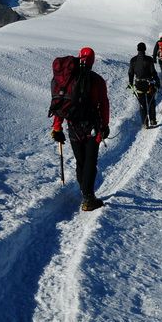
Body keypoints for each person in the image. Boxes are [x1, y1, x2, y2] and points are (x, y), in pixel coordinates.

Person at [50, 47, 110, 212]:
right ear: (93, 61)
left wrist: (57, 127)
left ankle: (85, 192)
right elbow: (104, 104)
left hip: (73, 126)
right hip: (92, 126)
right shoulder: (97, 80)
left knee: (80, 161)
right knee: (91, 161)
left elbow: (61, 104)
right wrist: (104, 126)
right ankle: (89, 198)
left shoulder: (67, 80)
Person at [128, 42, 160, 128]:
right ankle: (152, 119)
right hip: (149, 84)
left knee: (142, 104)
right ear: (145, 49)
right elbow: (153, 72)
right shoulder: (149, 59)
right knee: (151, 102)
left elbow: (131, 73)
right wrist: (157, 81)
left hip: (139, 84)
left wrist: (130, 83)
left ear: (137, 49)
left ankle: (145, 122)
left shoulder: (133, 60)